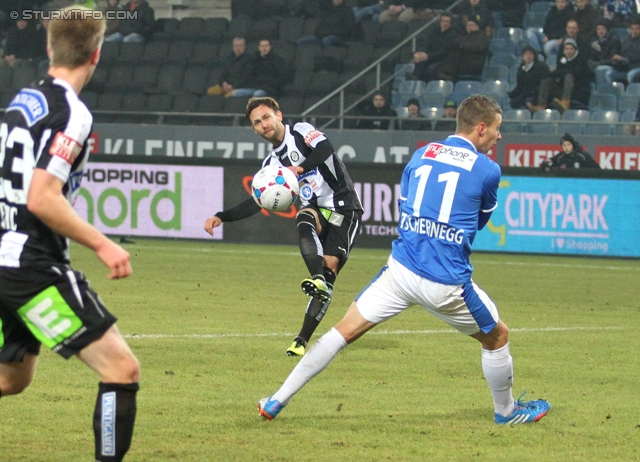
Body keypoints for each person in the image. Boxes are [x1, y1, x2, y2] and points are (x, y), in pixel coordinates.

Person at [256, 94, 551, 426]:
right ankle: (507, 412)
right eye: (497, 129)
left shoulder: (421, 154)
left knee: (341, 333)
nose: (499, 136)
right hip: (445, 283)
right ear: (481, 128)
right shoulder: (488, 170)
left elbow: (409, 206)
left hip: (400, 272)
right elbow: (478, 223)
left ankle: (275, 400)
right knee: (497, 336)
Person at [0, 6, 140, 461]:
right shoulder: (72, 114)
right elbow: (42, 197)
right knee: (121, 368)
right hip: (30, 263)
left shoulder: (23, 100)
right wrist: (102, 242)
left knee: (11, 378)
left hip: (4, 256)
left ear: (48, 48)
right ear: (97, 54)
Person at [203, 97, 363, 357]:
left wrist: (301, 167)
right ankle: (317, 282)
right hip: (316, 209)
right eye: (257, 122)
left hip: (344, 208)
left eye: (266, 117)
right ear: (254, 130)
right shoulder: (270, 167)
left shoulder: (301, 131)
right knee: (304, 218)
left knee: (330, 268)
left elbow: (326, 149)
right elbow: (256, 203)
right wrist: (221, 216)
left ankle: (302, 337)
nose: (264, 124)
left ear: (278, 115)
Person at [527, 38, 592, 113]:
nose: (569, 51)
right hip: (563, 90)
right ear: (564, 50)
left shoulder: (582, 61)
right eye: (567, 49)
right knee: (547, 80)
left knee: (569, 76)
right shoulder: (561, 60)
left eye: (571, 49)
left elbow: (575, 73)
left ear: (575, 50)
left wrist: (560, 72)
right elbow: (558, 73)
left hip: (578, 91)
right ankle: (541, 105)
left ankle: (565, 102)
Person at [406, 13, 458, 83]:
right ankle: (416, 79)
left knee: (431, 69)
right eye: (443, 21)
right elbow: (426, 44)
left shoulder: (453, 35)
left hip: (444, 59)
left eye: (447, 21)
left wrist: (428, 56)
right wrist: (420, 53)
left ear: (451, 23)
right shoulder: (434, 32)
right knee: (419, 60)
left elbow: (444, 51)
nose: (445, 23)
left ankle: (430, 86)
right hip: (431, 56)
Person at [604, 18, 640, 84]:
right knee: (609, 74)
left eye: (637, 28)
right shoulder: (626, 40)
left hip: (637, 66)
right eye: (633, 28)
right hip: (625, 67)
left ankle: (631, 93)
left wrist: (623, 59)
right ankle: (615, 92)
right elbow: (621, 53)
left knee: (631, 75)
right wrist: (617, 58)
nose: (635, 31)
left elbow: (636, 56)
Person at [588, 19, 621, 88]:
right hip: (598, 63)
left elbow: (613, 59)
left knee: (600, 69)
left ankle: (602, 92)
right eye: (598, 29)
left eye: (603, 29)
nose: (600, 31)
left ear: (607, 29)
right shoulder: (594, 40)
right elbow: (591, 57)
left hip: (612, 65)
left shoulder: (614, 40)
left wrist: (599, 61)